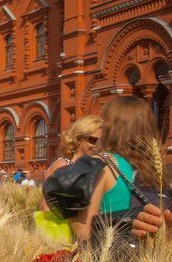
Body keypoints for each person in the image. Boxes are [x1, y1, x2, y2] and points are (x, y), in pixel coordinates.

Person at [72, 96, 168, 245]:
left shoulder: (102, 164)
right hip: (153, 254)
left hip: (114, 254)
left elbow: (83, 231)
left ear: (109, 127)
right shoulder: (159, 170)